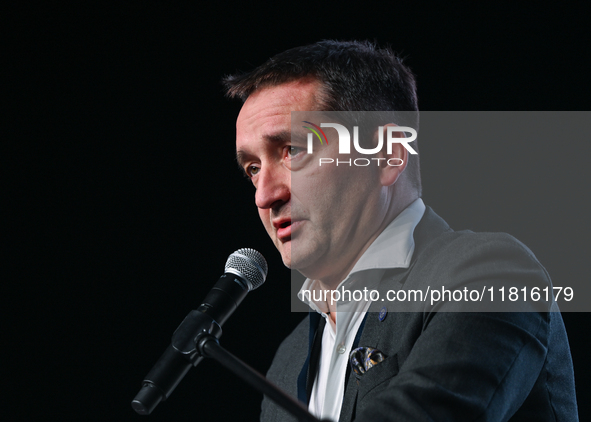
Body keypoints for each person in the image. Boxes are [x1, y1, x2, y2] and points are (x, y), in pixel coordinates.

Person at [223, 40, 578, 421]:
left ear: (388, 154)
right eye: (253, 169)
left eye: (293, 150)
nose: (265, 195)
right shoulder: (289, 359)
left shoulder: (491, 273)